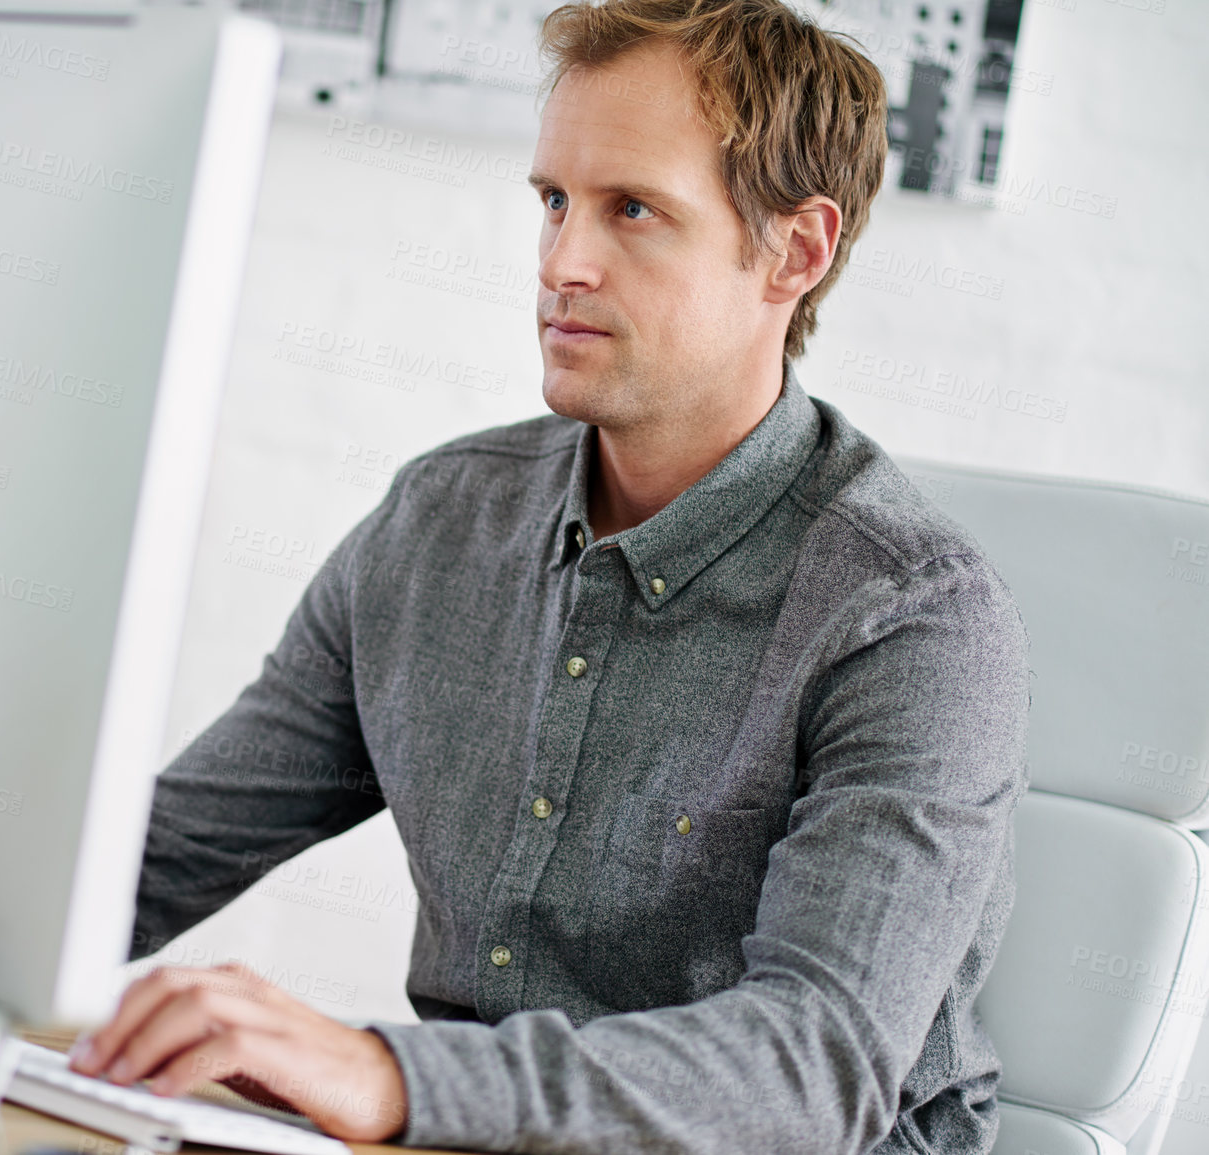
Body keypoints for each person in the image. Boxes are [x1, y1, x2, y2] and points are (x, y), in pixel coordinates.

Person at [69, 2, 1031, 1152]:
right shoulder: (440, 521)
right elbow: (165, 850)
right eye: (555, 201)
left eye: (634, 209)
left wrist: (395, 1076)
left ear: (797, 249)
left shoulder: (913, 619)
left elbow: (811, 1068)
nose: (563, 262)